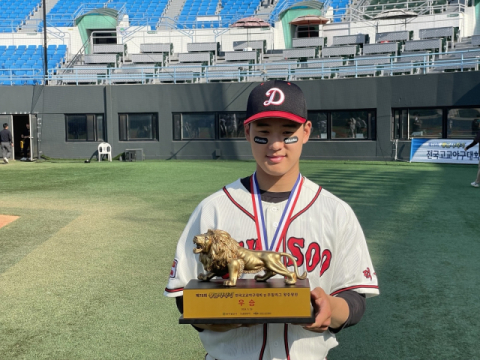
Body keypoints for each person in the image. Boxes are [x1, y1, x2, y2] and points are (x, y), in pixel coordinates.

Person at [164, 80, 379, 360]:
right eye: (263, 135)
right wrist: (221, 316)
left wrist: (330, 309)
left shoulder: (336, 211)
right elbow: (185, 299)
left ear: (306, 132)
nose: (275, 146)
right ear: (247, 132)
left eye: (288, 134)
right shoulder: (213, 209)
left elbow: (354, 299)